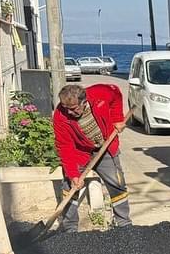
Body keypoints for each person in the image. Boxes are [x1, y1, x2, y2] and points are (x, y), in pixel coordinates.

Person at [52, 83, 131, 232]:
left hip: (105, 146)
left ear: (84, 101)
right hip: (80, 152)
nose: (69, 112)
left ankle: (124, 225)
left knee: (117, 184)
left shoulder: (100, 93)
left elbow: (116, 93)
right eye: (65, 108)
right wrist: (73, 175)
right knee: (70, 187)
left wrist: (117, 119)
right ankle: (70, 229)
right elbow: (65, 147)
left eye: (73, 109)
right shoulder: (60, 116)